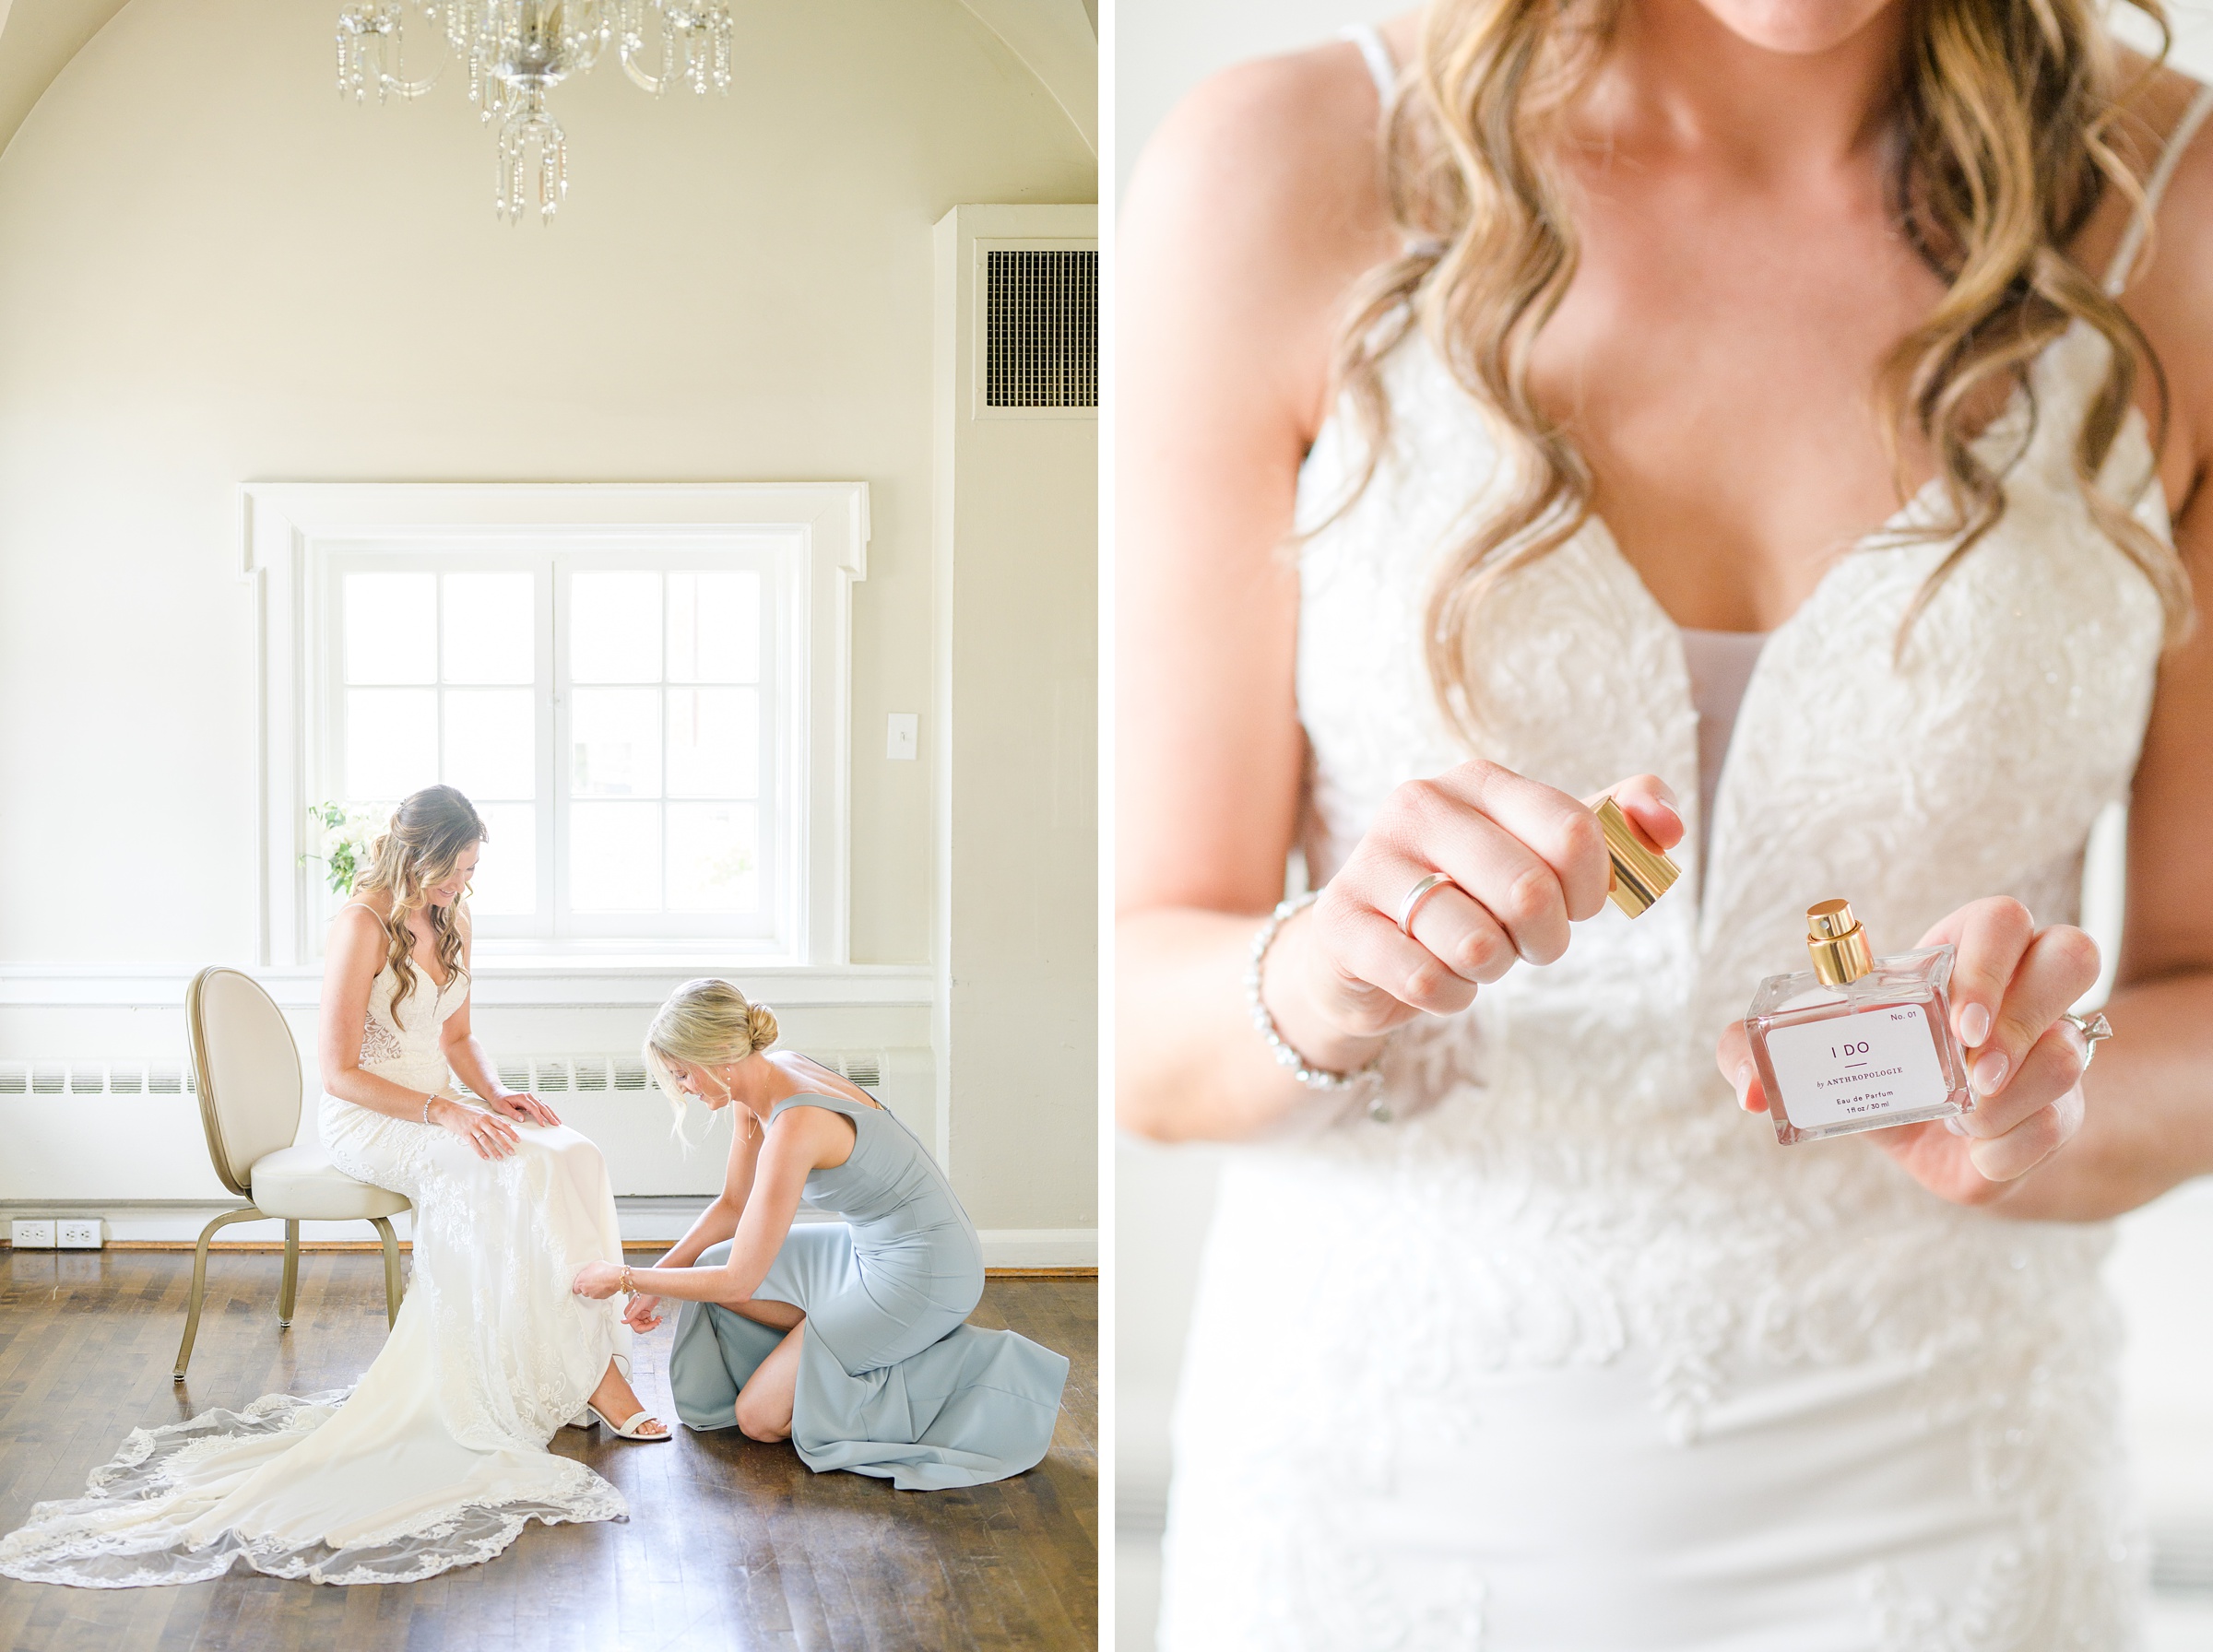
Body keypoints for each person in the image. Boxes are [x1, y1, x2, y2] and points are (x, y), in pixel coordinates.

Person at [1118, 0, 2213, 1643]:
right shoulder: (1277, 173)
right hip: (1383, 1507)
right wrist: (1320, 975)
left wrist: (2033, 1104)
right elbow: (1137, 1011)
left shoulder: (2180, 212)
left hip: (1948, 1515)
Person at [0, 785, 662, 1589]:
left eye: (470, 872)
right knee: (507, 1168)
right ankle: (594, 1378)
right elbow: (342, 1075)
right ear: (415, 855)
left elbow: (457, 1033)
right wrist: (445, 1118)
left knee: (572, 1151)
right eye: (454, 870)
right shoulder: (360, 926)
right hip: (377, 1119)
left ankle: (569, 1353)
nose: (462, 886)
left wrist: (493, 1097)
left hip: (440, 1108)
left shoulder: (451, 920)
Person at [571, 978, 1069, 1489]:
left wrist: (628, 1278)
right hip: (868, 1246)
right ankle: (839, 1348)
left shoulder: (797, 1124)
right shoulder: (755, 1079)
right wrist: (660, 1276)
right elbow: (733, 1205)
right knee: (703, 1267)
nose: (682, 1089)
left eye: (682, 1074)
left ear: (719, 1056)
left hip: (927, 1270)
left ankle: (968, 1374)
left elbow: (740, 1281)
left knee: (760, 1419)